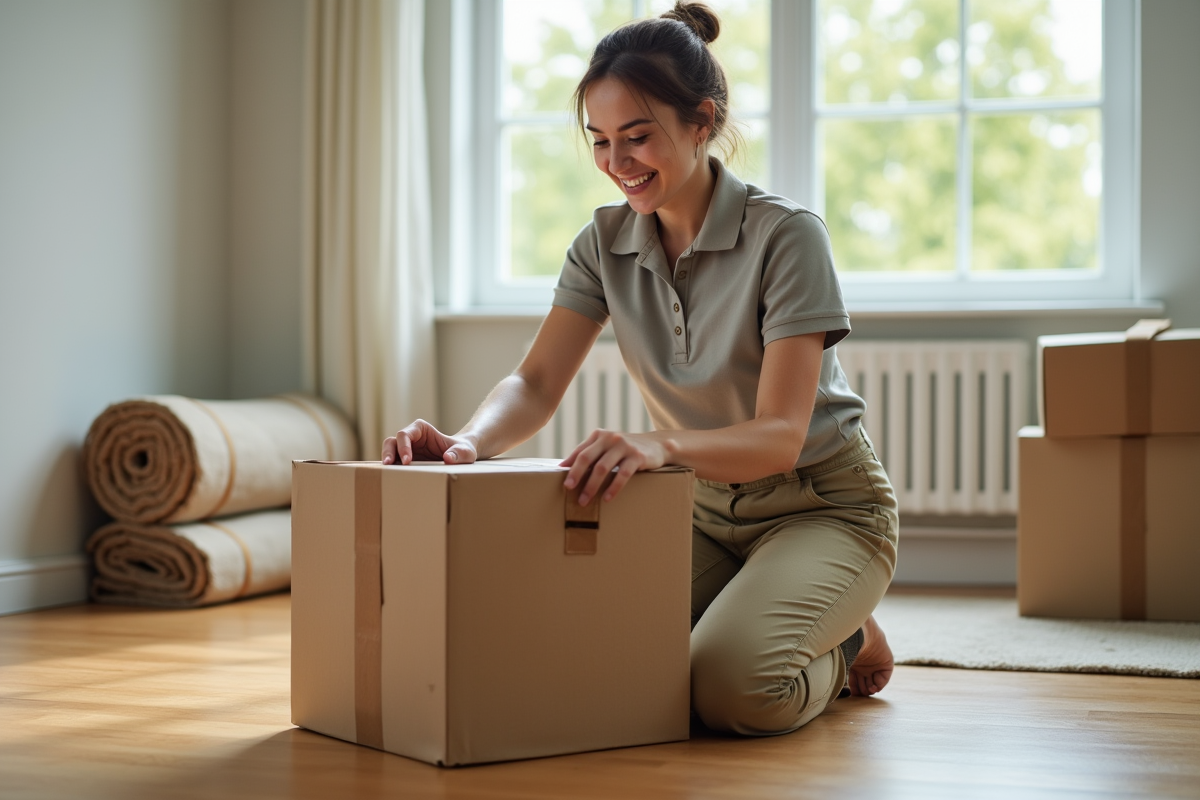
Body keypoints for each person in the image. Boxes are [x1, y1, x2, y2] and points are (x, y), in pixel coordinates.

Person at [382, 1, 898, 736]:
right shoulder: (603, 242)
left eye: (637, 137)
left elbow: (781, 434)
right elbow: (534, 383)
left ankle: (845, 636)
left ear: (701, 122)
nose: (617, 163)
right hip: (701, 513)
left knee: (726, 690)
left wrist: (657, 445)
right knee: (581, 645)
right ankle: (798, 611)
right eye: (599, 141)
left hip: (824, 506)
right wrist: (467, 442)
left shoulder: (785, 236)